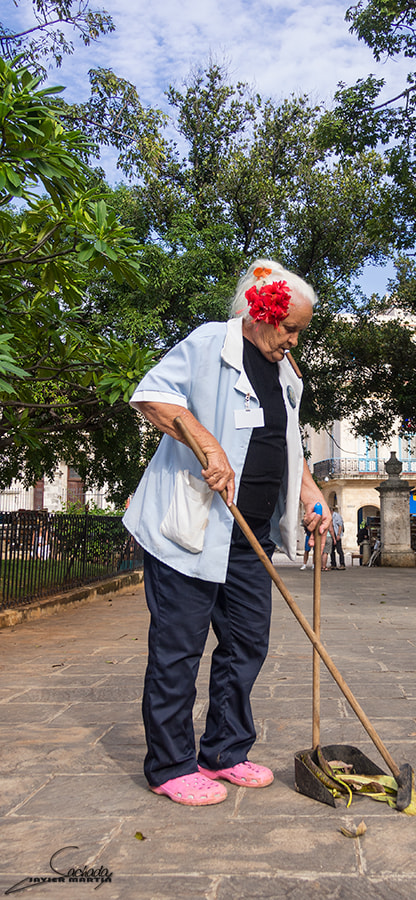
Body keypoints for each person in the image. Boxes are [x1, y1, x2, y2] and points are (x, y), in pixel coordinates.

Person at [123, 259, 331, 807]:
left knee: (246, 645)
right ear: (260, 311)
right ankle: (169, 764)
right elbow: (153, 396)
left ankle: (224, 751)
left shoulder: (287, 376)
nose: (292, 339)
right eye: (288, 327)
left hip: (250, 537)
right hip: (190, 529)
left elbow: (287, 448)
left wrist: (310, 494)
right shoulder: (209, 343)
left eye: (299, 331)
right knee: (178, 649)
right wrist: (205, 443)